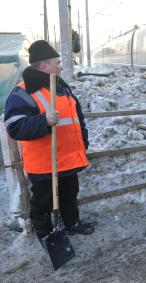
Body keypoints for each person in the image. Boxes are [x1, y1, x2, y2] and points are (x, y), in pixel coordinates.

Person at [4, 40, 94, 244]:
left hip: (69, 157)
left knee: (70, 194)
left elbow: (77, 118)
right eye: (57, 62)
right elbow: (14, 126)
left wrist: (83, 141)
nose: (61, 66)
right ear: (45, 65)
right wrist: (43, 121)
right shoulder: (23, 92)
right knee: (43, 201)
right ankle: (45, 234)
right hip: (45, 162)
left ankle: (72, 223)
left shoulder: (62, 87)